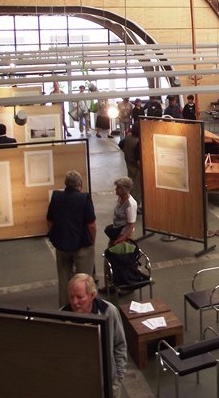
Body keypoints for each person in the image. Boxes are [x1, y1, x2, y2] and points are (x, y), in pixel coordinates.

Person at [63, 273, 127, 398]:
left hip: (108, 387)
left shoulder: (109, 311)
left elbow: (119, 344)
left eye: (80, 297)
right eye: (71, 297)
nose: (75, 302)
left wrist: (117, 379)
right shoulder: (62, 317)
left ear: (92, 295)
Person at [47, 170, 97, 306]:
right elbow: (91, 225)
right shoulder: (84, 199)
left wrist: (56, 237)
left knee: (63, 281)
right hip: (82, 247)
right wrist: (92, 242)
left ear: (65, 184)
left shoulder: (56, 197)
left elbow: (50, 221)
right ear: (79, 184)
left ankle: (64, 309)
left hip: (61, 246)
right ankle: (84, 308)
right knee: (84, 282)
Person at [100, 177, 138, 292]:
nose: (116, 190)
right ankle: (110, 285)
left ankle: (126, 287)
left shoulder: (130, 204)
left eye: (118, 188)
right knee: (109, 259)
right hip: (116, 235)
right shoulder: (120, 199)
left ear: (124, 190)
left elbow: (131, 225)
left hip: (124, 237)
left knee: (122, 262)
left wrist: (122, 239)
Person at [121, 123, 142, 207]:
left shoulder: (128, 137)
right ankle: (135, 205)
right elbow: (138, 160)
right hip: (136, 167)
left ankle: (129, 202)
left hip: (128, 163)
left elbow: (120, 144)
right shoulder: (138, 141)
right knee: (137, 187)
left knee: (130, 184)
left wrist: (125, 152)